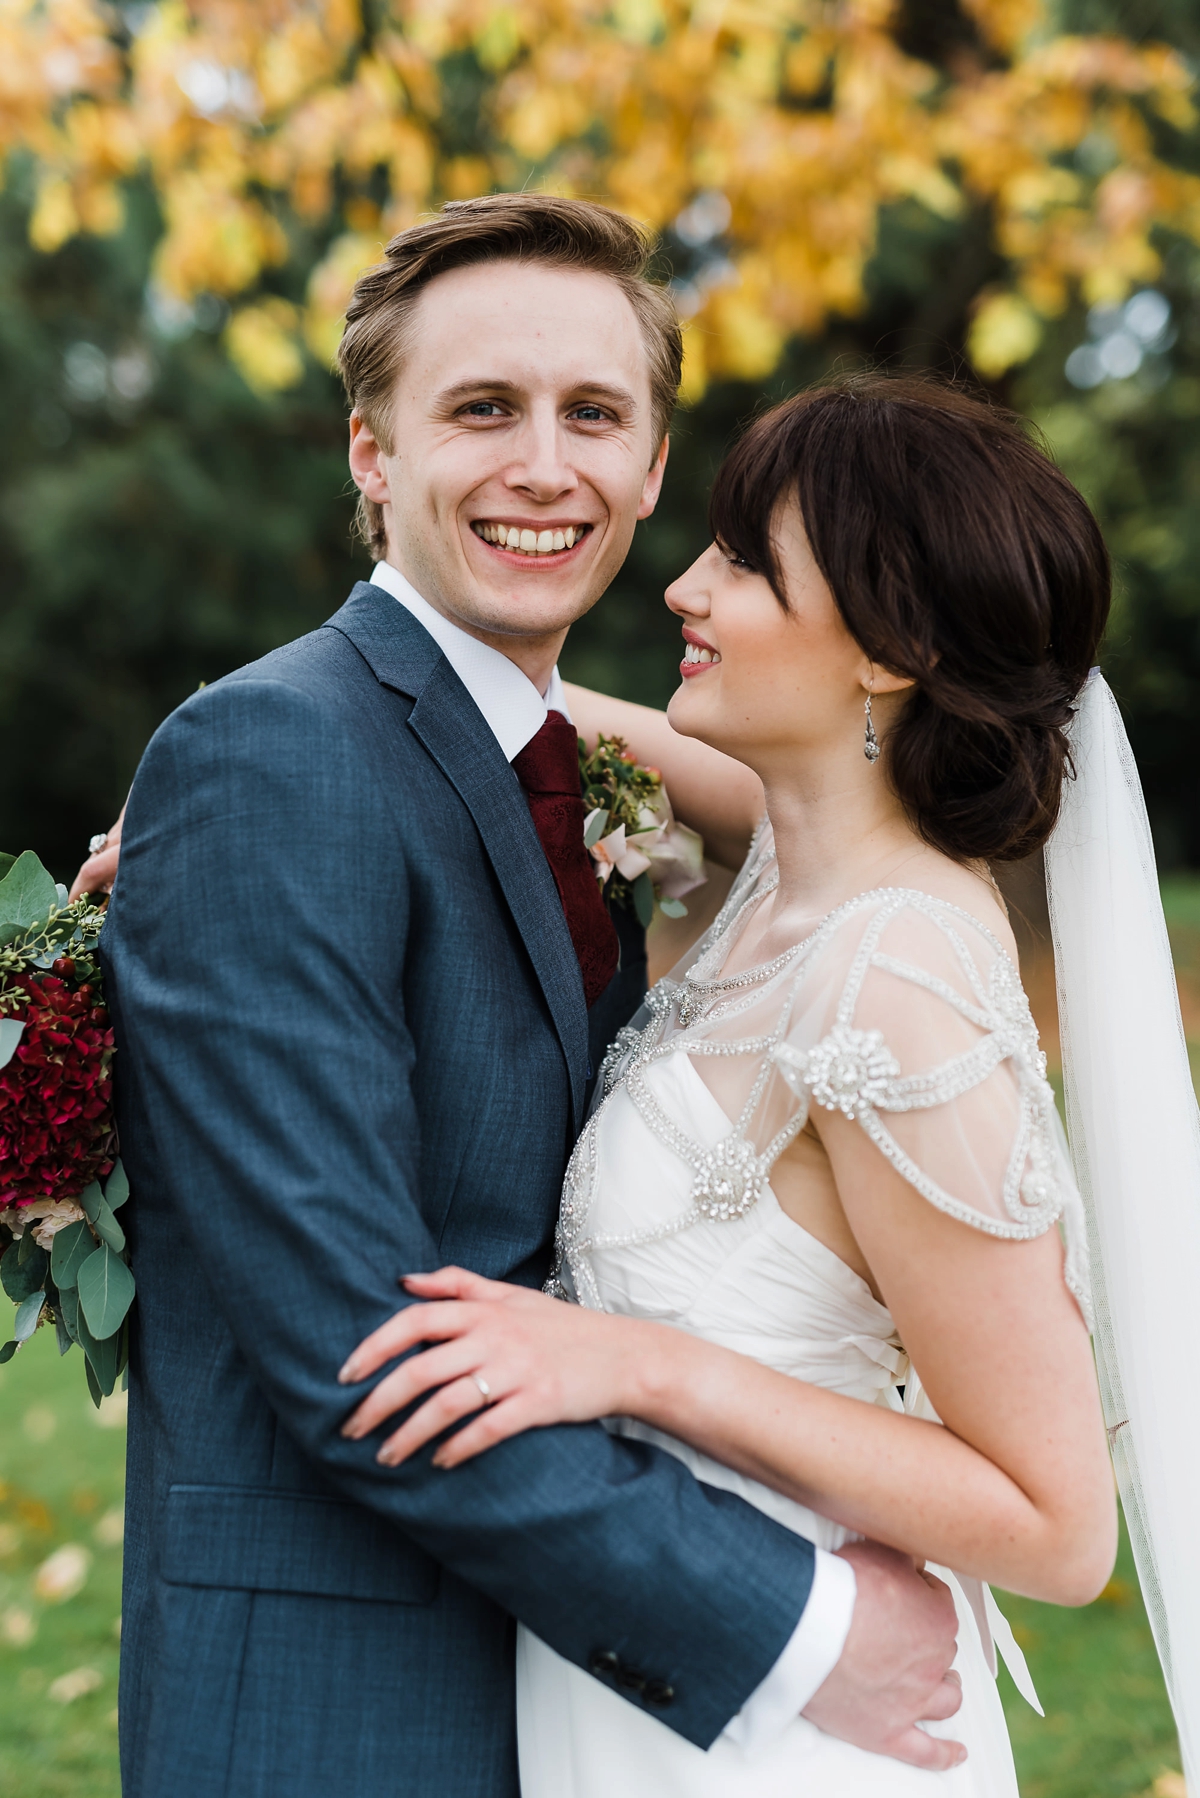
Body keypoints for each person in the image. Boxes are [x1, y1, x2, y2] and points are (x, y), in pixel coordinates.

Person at [96, 198, 964, 1798]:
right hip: (339, 1703)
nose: (543, 466)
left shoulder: (561, 768)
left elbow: (878, 797)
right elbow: (368, 1344)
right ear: (370, 452)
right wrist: (799, 1624)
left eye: (593, 416)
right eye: (482, 409)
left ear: (649, 468)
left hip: (574, 1686)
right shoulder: (271, 758)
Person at [335, 375, 1126, 1796]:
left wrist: (641, 1365)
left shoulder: (899, 970)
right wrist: (293, 748)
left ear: (891, 650)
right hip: (657, 1661)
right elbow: (551, 714)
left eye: (751, 562)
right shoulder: (804, 839)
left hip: (800, 1729)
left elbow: (1061, 1525)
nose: (688, 583)